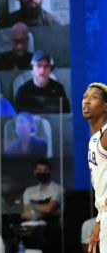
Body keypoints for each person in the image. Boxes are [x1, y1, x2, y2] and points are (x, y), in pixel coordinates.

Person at [83, 82, 107, 253]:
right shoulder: (94, 139)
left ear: (105, 106)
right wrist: (99, 222)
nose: (86, 101)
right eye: (85, 97)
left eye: (94, 97)